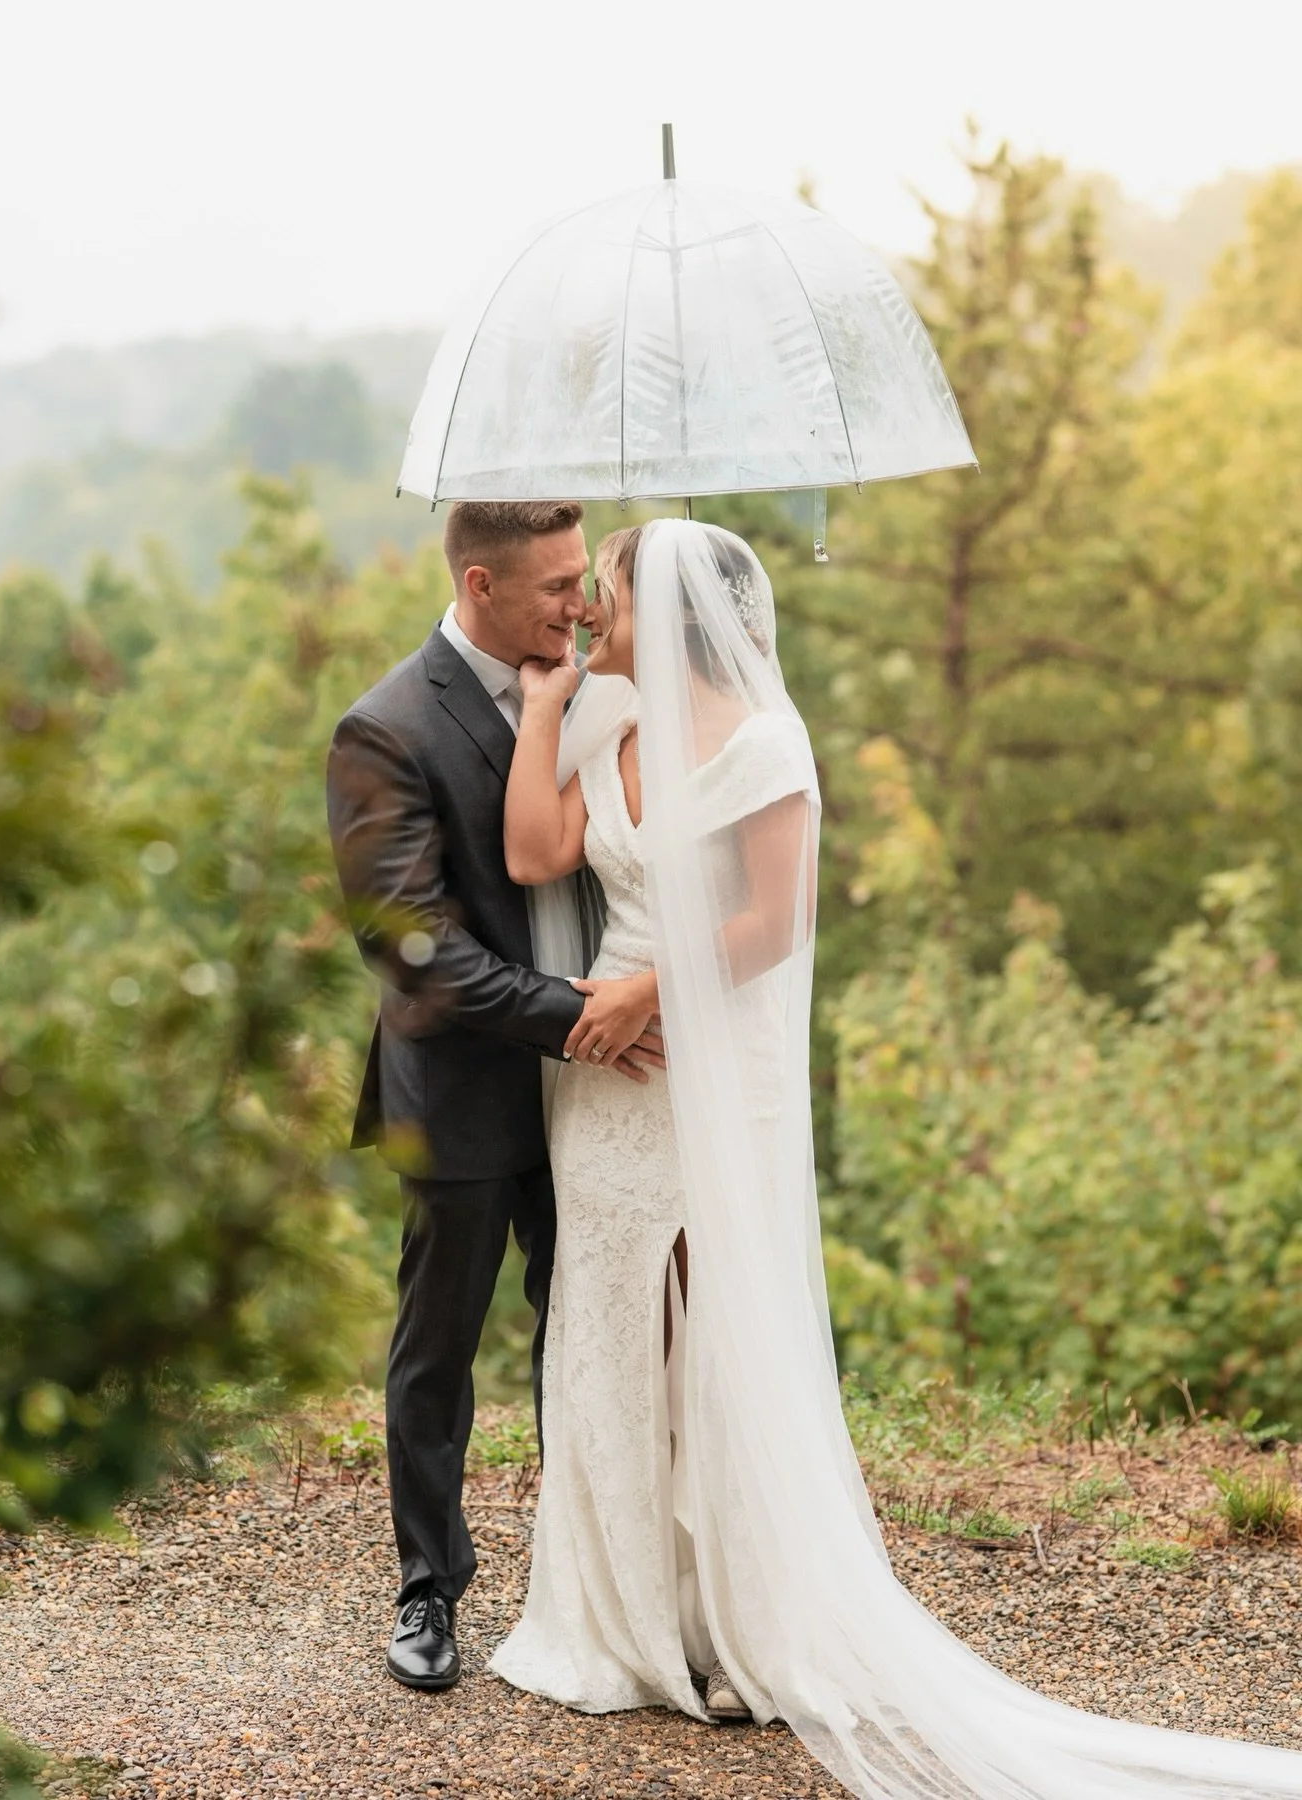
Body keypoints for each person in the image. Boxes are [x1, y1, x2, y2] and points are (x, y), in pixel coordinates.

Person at [490, 515, 1302, 1800]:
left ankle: (732, 1621)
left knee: (713, 1327)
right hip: (605, 1091)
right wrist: (543, 708)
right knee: (606, 1325)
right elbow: (535, 851)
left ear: (671, 607)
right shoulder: (606, 717)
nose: (590, 608)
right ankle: (627, 1617)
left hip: (706, 1058)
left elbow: (769, 920)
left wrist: (650, 993)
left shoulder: (767, 742)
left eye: (608, 590)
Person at [326, 499, 658, 1694]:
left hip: (612, 1100)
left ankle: (609, 1592)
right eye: (559, 584)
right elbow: (411, 945)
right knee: (440, 1349)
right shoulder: (387, 726)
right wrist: (577, 1014)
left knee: (602, 1335)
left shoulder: (610, 694)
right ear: (479, 583)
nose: (583, 602)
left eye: (585, 578)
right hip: (468, 1089)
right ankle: (428, 1589)